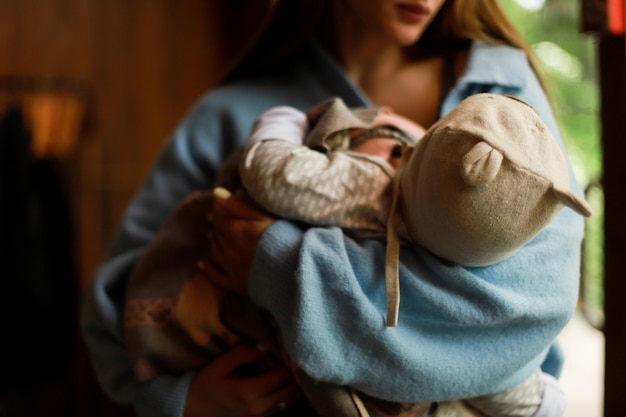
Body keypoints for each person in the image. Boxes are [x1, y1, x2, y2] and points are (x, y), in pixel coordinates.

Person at [80, 1, 587, 417]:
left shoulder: (503, 96)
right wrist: (185, 402)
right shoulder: (234, 112)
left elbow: (531, 305)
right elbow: (119, 309)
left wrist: (278, 263)